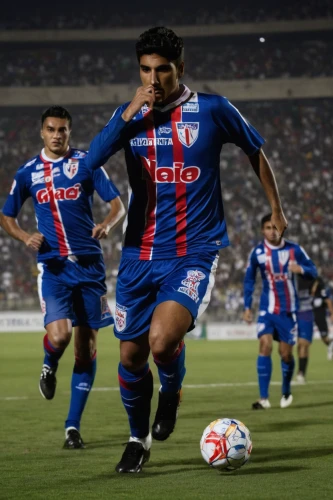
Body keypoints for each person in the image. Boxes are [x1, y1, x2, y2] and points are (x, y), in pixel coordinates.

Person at [87, 26, 287, 473]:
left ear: (182, 67)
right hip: (138, 255)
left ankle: (172, 389)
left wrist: (276, 207)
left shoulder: (213, 109)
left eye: (162, 70)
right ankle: (137, 439)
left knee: (161, 342)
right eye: (145, 70)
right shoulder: (131, 114)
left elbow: (255, 150)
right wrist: (127, 114)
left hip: (194, 250)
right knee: (131, 356)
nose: (152, 79)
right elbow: (88, 162)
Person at [0, 106, 125, 449]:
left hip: (89, 269)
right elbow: (6, 216)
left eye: (63, 130)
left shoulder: (86, 163)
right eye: (52, 129)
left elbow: (117, 205)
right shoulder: (27, 173)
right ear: (42, 132)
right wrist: (24, 236)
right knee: (59, 337)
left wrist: (107, 225)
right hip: (54, 268)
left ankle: (72, 427)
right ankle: (48, 365)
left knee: (86, 349)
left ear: (70, 132)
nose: (57, 135)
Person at [243, 214, 317, 409]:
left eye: (275, 227)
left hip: (288, 312)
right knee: (264, 345)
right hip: (267, 310)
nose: (272, 231)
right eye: (268, 227)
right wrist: (247, 307)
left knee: (285, 354)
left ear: (282, 228)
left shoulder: (294, 249)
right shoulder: (258, 252)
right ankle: (264, 399)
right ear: (262, 230)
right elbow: (249, 280)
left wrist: (300, 269)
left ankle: (285, 390)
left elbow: (313, 271)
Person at [311, 276, 333, 361]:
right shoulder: (306, 286)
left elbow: (328, 301)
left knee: (324, 336)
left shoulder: (321, 288)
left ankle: (331, 345)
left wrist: (331, 313)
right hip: (309, 315)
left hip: (320, 315)